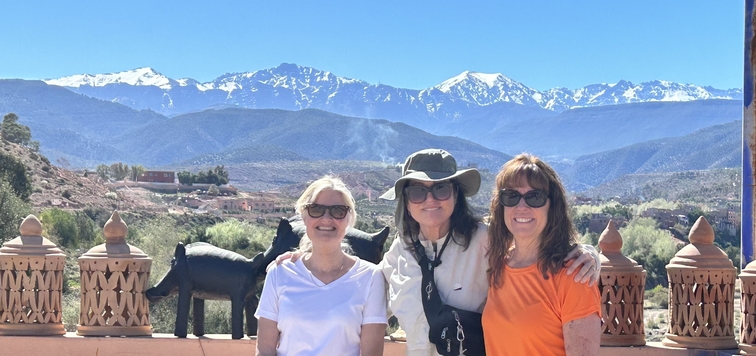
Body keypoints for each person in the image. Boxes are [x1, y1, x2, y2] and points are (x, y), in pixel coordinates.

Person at [379, 149, 599, 356]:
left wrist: (589, 254)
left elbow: (530, 237)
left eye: (441, 189)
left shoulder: (486, 242)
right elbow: (361, 292)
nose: (430, 199)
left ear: (456, 195)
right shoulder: (398, 253)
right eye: (418, 192)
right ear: (406, 203)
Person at [481, 154, 602, 355]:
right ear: (500, 205)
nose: (521, 207)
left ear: (552, 206)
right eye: (511, 196)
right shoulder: (497, 267)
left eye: (534, 197)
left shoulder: (573, 276)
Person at [256, 177, 387, 356]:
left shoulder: (371, 278)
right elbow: (264, 351)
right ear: (304, 216)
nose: (327, 218)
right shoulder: (279, 273)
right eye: (316, 209)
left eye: (338, 211)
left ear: (349, 219)